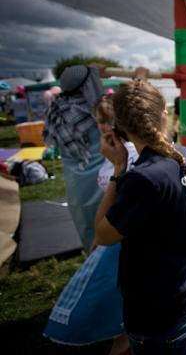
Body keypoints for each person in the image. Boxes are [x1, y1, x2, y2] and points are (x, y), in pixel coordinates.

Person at [94, 79, 186, 354]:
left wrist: (118, 168)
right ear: (164, 114)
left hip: (160, 311)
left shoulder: (142, 179)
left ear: (120, 129)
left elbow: (102, 235)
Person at [44, 93, 138, 355]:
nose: (103, 127)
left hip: (120, 235)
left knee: (116, 291)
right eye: (100, 121)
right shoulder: (116, 151)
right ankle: (122, 336)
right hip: (115, 230)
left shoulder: (127, 156)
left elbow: (120, 203)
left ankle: (123, 339)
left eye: (107, 121)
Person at [43, 65, 105, 250]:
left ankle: (93, 258)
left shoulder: (56, 108)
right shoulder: (96, 110)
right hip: (102, 179)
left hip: (75, 182)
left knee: (86, 223)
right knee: (106, 219)